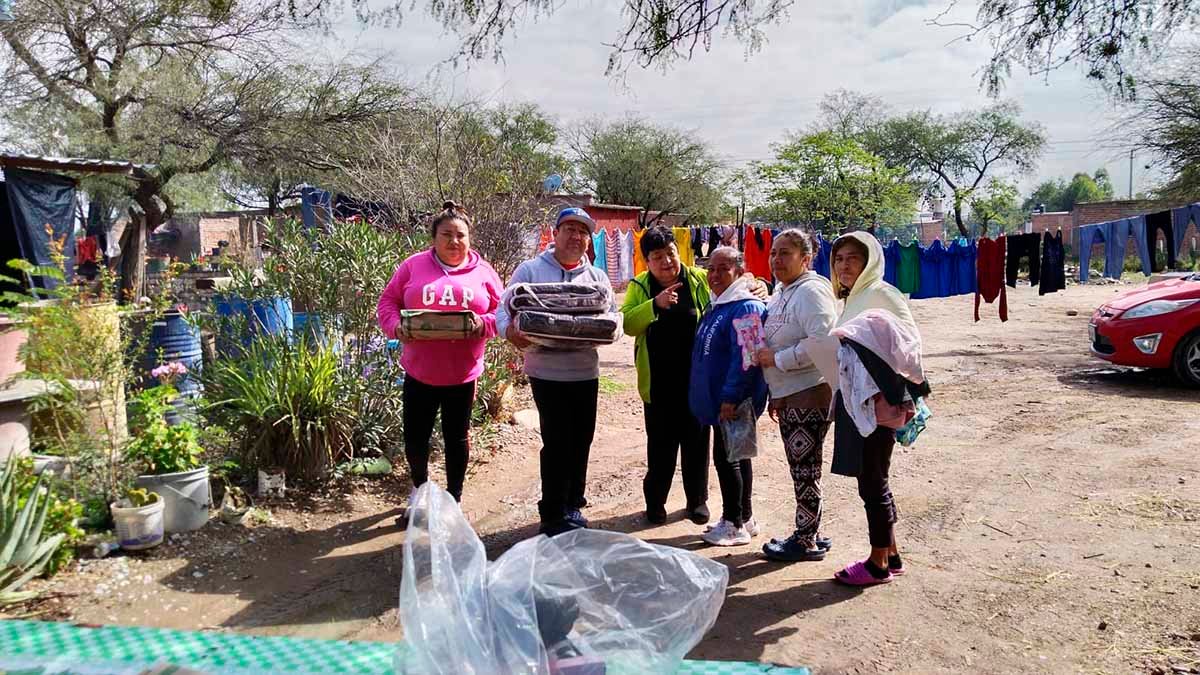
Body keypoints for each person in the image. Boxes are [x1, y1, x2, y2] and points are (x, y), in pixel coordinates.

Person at [376, 201, 503, 517]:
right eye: (446, 234)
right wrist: (396, 327)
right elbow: (387, 302)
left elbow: (502, 313)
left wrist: (481, 324)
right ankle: (419, 491)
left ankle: (454, 498)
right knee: (416, 437)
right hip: (420, 372)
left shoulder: (484, 272)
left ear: (470, 238)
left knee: (457, 438)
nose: (454, 241)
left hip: (462, 374)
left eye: (461, 235)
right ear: (434, 237)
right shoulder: (413, 266)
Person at [496, 207, 616, 537]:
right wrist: (509, 333)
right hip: (546, 372)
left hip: (585, 371)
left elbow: (613, 317)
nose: (576, 237)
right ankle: (551, 512)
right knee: (557, 441)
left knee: (582, 439)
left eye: (583, 231)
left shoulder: (597, 278)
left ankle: (573, 503)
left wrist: (611, 331)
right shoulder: (531, 270)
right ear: (556, 233)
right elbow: (502, 310)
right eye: (570, 229)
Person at [828, 231, 919, 585]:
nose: (845, 265)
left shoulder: (882, 294)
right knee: (872, 478)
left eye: (853, 258)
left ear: (870, 261)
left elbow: (910, 347)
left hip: (878, 402)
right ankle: (891, 552)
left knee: (873, 482)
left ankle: (878, 562)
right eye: (839, 259)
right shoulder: (855, 298)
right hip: (858, 401)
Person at [753, 229, 839, 562]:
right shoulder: (783, 292)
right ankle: (812, 530)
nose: (776, 260)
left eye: (785, 253)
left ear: (805, 259)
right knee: (804, 468)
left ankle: (805, 540)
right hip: (790, 393)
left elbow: (823, 341)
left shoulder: (811, 292)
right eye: (774, 253)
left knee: (804, 470)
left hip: (809, 392)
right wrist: (776, 390)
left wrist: (777, 360)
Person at [621, 226, 712, 526]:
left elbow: (728, 291)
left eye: (670, 253)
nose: (666, 262)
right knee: (660, 446)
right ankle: (655, 503)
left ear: (679, 252)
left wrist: (756, 284)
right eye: (657, 257)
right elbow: (629, 324)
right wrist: (654, 305)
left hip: (696, 381)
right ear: (647, 261)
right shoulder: (641, 286)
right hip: (659, 383)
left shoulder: (697, 279)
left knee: (697, 444)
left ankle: (697, 501)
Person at [688, 247, 768, 547]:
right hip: (720, 400)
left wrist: (731, 397)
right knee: (737, 455)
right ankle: (744, 516)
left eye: (723, 268)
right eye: (711, 269)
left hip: (732, 402)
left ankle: (733, 523)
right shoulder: (720, 305)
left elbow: (747, 359)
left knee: (728, 460)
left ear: (739, 271)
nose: (715, 275)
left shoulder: (745, 308)